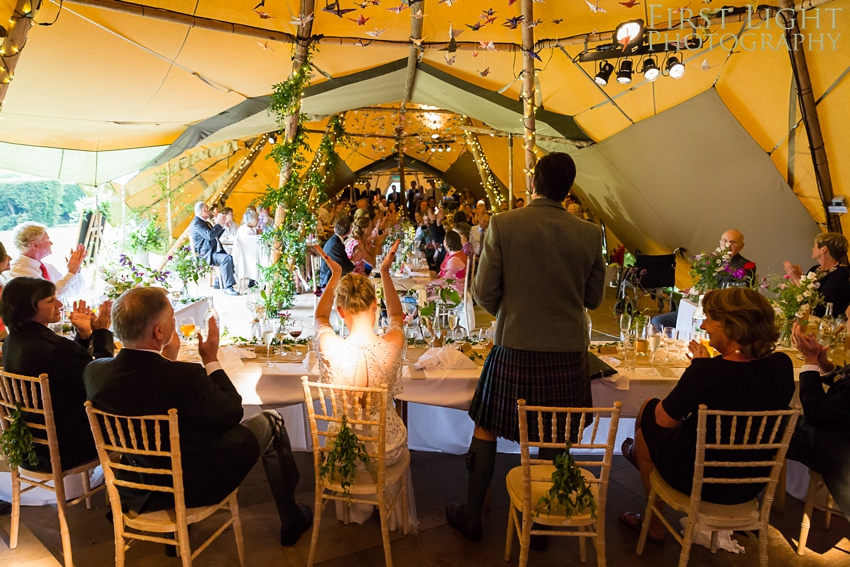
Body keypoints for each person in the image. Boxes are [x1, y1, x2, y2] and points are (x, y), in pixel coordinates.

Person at [446, 152, 606, 541]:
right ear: (569, 190)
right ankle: (544, 523)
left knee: (486, 427)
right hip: (568, 354)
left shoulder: (503, 224)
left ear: (534, 182)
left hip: (514, 346)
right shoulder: (589, 232)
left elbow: (484, 293)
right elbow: (595, 298)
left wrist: (514, 310)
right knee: (555, 432)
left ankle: (471, 516)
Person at [84, 288, 312, 546]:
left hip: (137, 485)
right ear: (159, 332)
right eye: (172, 317)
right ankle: (292, 519)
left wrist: (168, 358)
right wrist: (210, 359)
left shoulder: (94, 372)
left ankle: (174, 534)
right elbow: (231, 412)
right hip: (194, 484)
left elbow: (141, 383)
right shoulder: (185, 377)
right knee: (273, 420)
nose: (174, 322)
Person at [620, 288, 794, 543]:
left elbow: (663, 421)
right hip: (750, 485)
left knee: (648, 415)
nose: (703, 325)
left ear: (731, 325)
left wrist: (699, 370)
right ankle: (638, 456)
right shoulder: (782, 366)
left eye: (709, 318)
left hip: (698, 481)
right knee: (654, 421)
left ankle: (654, 520)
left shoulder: (706, 373)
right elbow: (743, 384)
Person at [313, 241, 418, 533]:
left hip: (342, 450)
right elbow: (397, 317)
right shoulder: (391, 344)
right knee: (393, 427)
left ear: (340, 311)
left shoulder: (331, 347)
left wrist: (335, 275)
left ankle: (352, 507)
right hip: (385, 450)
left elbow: (320, 318)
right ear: (375, 306)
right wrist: (384, 271)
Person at [0, 278, 113, 472]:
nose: (59, 304)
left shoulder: (12, 341)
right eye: (50, 300)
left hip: (32, 446)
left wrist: (84, 336)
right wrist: (101, 332)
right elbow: (101, 380)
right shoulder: (55, 348)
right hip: (70, 447)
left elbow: (68, 369)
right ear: (29, 308)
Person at [788, 324, 850, 522]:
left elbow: (816, 413)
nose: (844, 326)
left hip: (843, 449)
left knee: (779, 422)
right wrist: (824, 365)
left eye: (848, 320)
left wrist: (810, 361)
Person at [653, 229, 756, 328]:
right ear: (720, 243)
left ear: (741, 246)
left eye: (733, 242)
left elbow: (740, 295)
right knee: (657, 321)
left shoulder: (745, 265)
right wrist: (695, 290)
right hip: (699, 307)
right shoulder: (712, 262)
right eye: (725, 241)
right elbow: (702, 284)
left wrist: (710, 294)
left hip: (720, 313)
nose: (728, 245)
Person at [9, 222, 85, 299]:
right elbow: (46, 296)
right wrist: (71, 272)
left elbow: (75, 290)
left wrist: (76, 268)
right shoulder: (17, 271)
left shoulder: (48, 268)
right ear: (35, 245)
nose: (51, 243)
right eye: (48, 240)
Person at [783, 232, 850, 318]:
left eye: (814, 246)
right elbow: (800, 298)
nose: (812, 248)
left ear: (823, 249)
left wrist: (796, 279)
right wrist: (795, 279)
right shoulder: (815, 269)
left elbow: (817, 306)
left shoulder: (841, 274)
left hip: (825, 323)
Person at [189, 202, 239, 295]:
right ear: (203, 210)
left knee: (230, 258)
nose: (209, 211)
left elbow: (215, 236)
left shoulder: (204, 222)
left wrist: (222, 225)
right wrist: (218, 224)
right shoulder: (196, 223)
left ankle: (218, 281)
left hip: (212, 251)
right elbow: (209, 236)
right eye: (207, 209)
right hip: (205, 254)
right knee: (226, 259)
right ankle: (228, 287)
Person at [320, 216, 356, 287]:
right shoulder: (335, 246)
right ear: (349, 231)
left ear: (334, 229)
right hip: (329, 282)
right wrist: (353, 260)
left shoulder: (336, 241)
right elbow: (341, 271)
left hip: (334, 278)